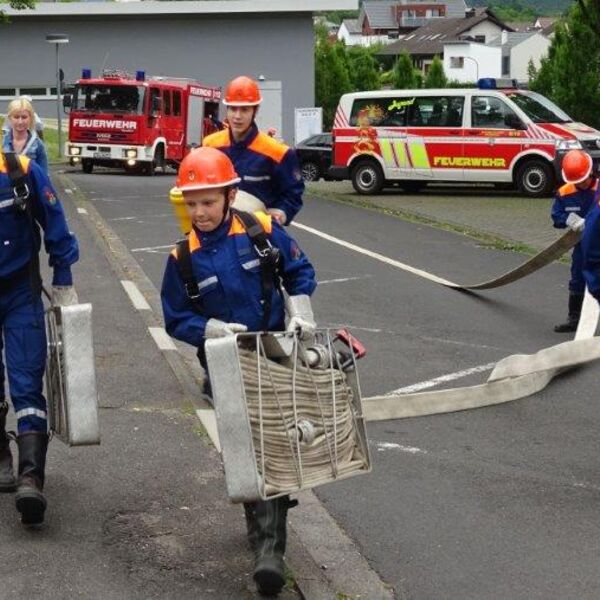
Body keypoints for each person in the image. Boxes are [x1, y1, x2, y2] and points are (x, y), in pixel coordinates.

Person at [161, 147, 316, 595]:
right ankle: (260, 528)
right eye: (191, 203)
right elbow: (175, 318)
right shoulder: (181, 258)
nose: (200, 212)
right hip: (225, 367)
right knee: (246, 450)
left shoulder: (262, 230)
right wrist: (208, 328)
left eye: (208, 202)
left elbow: (300, 271)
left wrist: (299, 310)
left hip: (274, 354)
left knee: (272, 445)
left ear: (230, 195)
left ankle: (269, 552)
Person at [0, 151, 79, 526]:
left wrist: (63, 277)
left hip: (20, 293)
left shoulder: (22, 171)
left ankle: (31, 477)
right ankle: (2, 454)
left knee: (27, 381)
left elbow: (55, 222)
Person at [203, 75, 304, 226]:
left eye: (244, 110)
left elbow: (294, 192)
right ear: (227, 109)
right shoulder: (210, 146)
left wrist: (282, 212)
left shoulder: (277, 152)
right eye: (233, 109)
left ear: (255, 111)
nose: (237, 116)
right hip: (217, 231)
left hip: (259, 234)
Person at [550, 150, 598, 332]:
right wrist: (568, 219)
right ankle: (574, 319)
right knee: (578, 278)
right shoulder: (564, 193)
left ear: (591, 172)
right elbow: (556, 216)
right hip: (580, 245)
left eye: (583, 180)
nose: (581, 184)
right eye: (577, 181)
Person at [2, 97, 49, 174]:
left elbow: (44, 177)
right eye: (16, 117)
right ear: (10, 118)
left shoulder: (38, 145)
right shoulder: (2, 142)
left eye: (24, 117)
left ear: (31, 118)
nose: (20, 122)